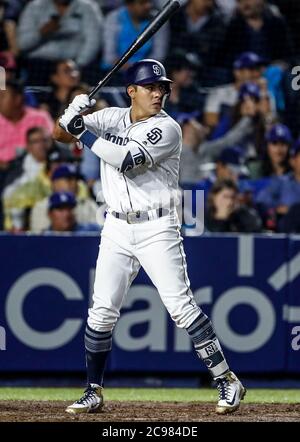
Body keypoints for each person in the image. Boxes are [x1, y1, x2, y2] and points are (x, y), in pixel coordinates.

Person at [54, 59, 246, 415]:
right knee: (101, 310)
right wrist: (69, 115)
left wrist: (81, 130)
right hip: (115, 225)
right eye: (151, 87)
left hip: (157, 226)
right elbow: (60, 136)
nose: (159, 93)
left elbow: (127, 160)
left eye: (163, 88)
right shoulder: (111, 117)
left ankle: (227, 380)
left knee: (180, 306)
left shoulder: (167, 128)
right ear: (132, 91)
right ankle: (93, 390)